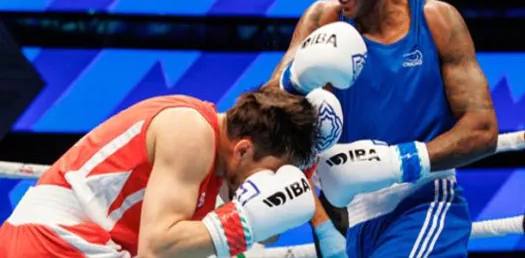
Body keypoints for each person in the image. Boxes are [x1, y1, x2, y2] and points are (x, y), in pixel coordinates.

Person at [269, 0, 499, 257]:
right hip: (356, 221)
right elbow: (269, 112)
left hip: (425, 203)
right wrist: (295, 78)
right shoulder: (323, 19)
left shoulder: (435, 20)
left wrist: (399, 161)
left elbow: (482, 129)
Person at [0, 86, 340, 258]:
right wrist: (243, 224)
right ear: (244, 149)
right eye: (272, 172)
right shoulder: (191, 133)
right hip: (51, 240)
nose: (269, 183)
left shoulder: (226, 163)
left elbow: (262, 228)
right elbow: (157, 248)